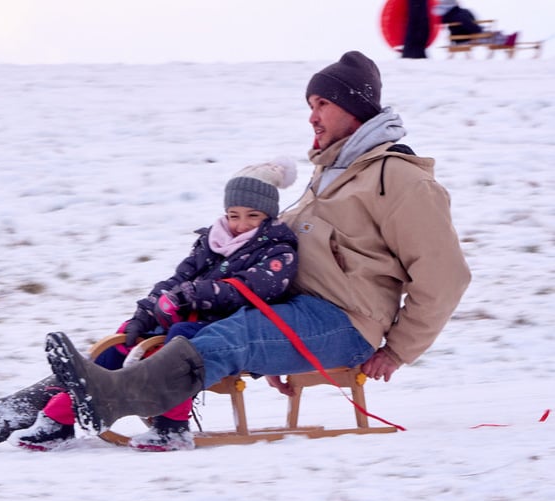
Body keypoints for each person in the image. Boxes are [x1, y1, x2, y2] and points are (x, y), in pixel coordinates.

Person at [43, 51, 471, 442]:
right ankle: (13, 415)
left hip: (346, 323)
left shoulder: (399, 179)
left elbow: (444, 274)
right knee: (156, 327)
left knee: (233, 335)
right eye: (311, 106)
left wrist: (398, 351)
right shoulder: (331, 175)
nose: (312, 117)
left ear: (355, 108)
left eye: (322, 104)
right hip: (290, 312)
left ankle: (112, 395)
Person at [0, 158, 300, 454]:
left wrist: (196, 295)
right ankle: (53, 421)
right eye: (234, 215)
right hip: (186, 316)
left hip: (227, 331)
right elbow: (175, 280)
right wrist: (145, 312)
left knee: (181, 341)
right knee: (118, 346)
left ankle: (172, 427)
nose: (240, 225)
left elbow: (255, 287)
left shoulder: (276, 249)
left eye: (252, 217)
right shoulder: (211, 242)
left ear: (268, 217)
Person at [434, 1, 518, 46]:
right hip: (463, 37)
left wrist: (479, 29)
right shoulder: (456, 15)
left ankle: (506, 39)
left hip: (467, 33)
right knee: (486, 36)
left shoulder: (458, 13)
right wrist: (479, 30)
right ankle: (506, 40)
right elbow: (467, 23)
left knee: (489, 34)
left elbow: (470, 20)